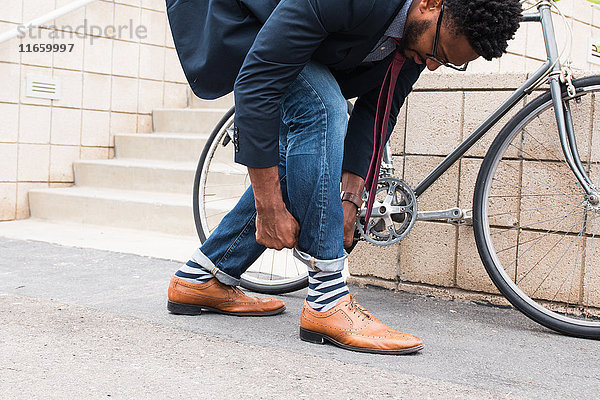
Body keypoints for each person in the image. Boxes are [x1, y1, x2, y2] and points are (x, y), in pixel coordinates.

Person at [165, 0, 522, 354]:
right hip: (234, 15)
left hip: (294, 28)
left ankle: (203, 276)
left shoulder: (419, 37)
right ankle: (327, 300)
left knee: (310, 154)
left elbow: (379, 111)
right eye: (438, 52)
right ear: (430, 4)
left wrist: (350, 199)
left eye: (444, 63)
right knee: (322, 109)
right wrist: (269, 208)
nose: (430, 65)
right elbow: (258, 84)